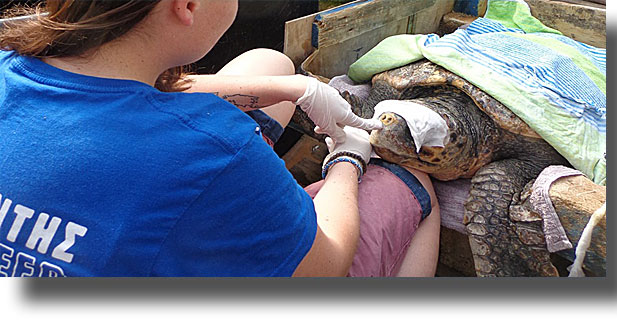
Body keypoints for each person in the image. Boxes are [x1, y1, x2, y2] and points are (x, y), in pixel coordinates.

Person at [0, 0, 440, 277]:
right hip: (301, 256)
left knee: (269, 62)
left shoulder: (8, 60)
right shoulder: (214, 147)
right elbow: (325, 266)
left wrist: (294, 89)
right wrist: (347, 159)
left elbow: (123, 94)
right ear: (187, 6)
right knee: (418, 188)